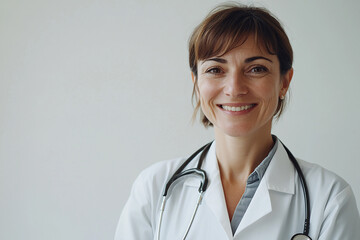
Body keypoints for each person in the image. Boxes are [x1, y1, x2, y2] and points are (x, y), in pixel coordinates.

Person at [114, 4, 360, 240]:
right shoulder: (155, 188)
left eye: (256, 69)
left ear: (284, 82)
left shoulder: (330, 198)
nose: (234, 88)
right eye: (215, 70)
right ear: (196, 83)